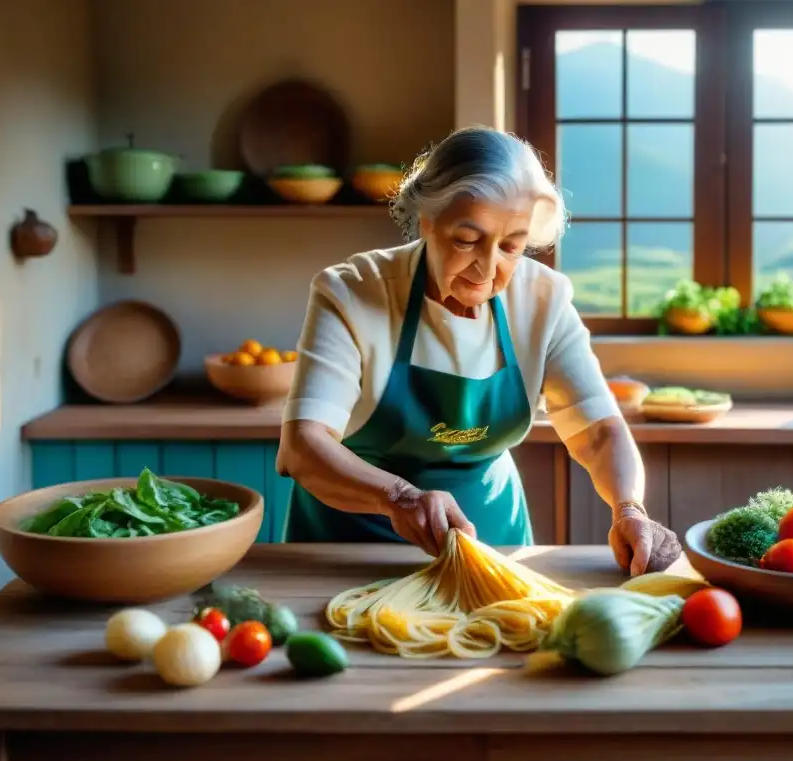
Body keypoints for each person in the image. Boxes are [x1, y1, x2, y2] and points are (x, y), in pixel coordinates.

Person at [276, 126, 680, 576]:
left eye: (511, 246)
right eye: (467, 240)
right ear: (427, 219)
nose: (488, 268)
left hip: (491, 546)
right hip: (348, 550)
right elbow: (303, 447)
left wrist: (630, 510)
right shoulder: (352, 292)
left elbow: (600, 432)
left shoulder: (543, 299)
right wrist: (400, 498)